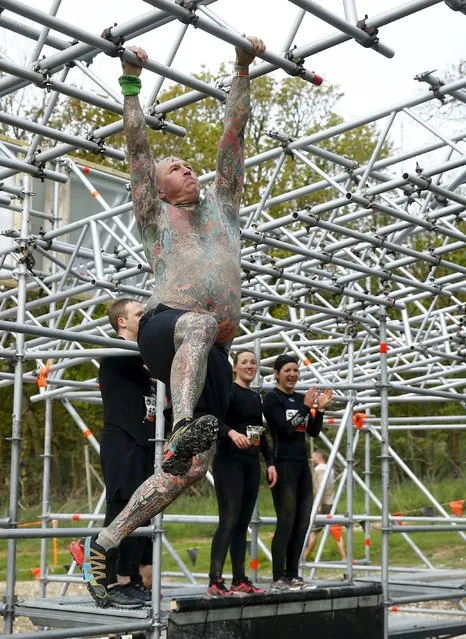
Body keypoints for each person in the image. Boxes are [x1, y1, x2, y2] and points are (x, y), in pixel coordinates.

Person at [70, 35, 266, 608]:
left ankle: (106, 542)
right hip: (167, 325)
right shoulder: (157, 220)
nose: (183, 165)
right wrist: (130, 83)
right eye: (172, 167)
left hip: (209, 353)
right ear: (158, 189)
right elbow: (137, 146)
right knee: (199, 327)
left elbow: (235, 134)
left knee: (187, 470)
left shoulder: (225, 208)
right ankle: (183, 425)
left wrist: (242, 69)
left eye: (185, 162)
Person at [98, 298, 155, 608]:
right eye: (139, 314)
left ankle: (129, 577)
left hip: (142, 442)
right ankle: (115, 579)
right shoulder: (117, 351)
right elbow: (153, 363)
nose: (144, 319)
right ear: (122, 322)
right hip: (123, 443)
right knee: (123, 510)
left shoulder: (137, 358)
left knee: (142, 511)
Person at [208, 349, 278, 597]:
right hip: (228, 462)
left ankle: (240, 579)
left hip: (250, 463)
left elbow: (261, 431)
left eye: (253, 362)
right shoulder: (228, 390)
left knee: (242, 524)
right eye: (244, 362)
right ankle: (215, 580)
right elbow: (213, 418)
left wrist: (269, 462)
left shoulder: (255, 397)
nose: (250, 366)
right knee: (229, 518)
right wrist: (230, 432)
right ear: (235, 367)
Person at [262, 355, 333, 592]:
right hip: (283, 464)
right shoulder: (272, 399)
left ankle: (293, 574)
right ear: (277, 374)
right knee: (287, 519)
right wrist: (306, 406)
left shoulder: (300, 399)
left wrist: (318, 410)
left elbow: (311, 431)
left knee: (303, 521)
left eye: (295, 370)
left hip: (302, 465)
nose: (292, 374)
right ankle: (278, 576)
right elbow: (284, 431)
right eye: (287, 370)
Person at [303, 450, 346, 561]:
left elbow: (320, 488)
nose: (312, 461)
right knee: (336, 530)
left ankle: (304, 558)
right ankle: (344, 557)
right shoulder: (330, 469)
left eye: (313, 458)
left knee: (313, 531)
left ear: (318, 458)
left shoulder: (319, 469)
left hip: (322, 504)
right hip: (331, 502)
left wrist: (318, 504)